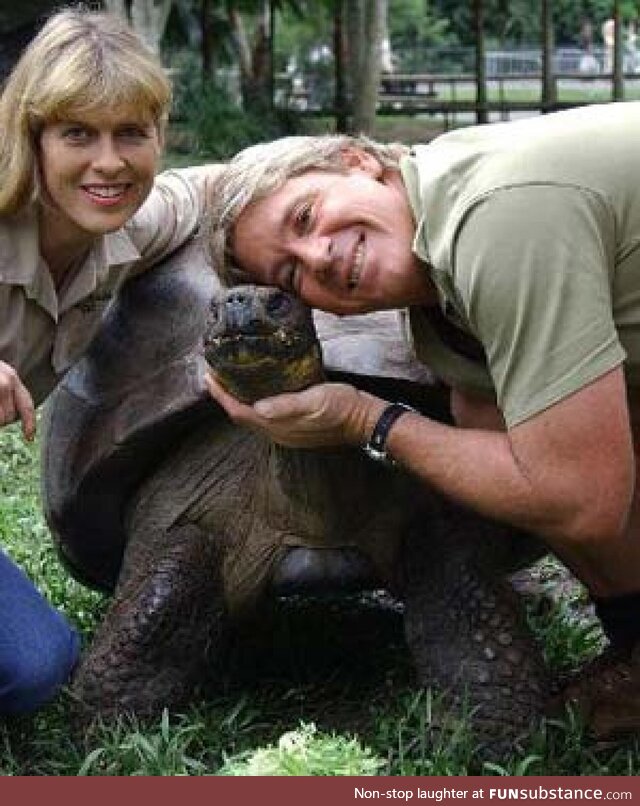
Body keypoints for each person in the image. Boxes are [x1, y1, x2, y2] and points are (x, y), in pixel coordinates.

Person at [207, 102, 640, 738]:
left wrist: (368, 418)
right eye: (291, 277)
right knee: (481, 407)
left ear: (358, 162)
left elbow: (585, 499)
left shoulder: (497, 218)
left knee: (550, 466)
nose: (318, 256)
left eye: (305, 216)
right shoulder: (441, 233)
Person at [0, 7, 219, 715]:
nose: (109, 162)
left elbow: (214, 189)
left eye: (131, 133)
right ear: (32, 137)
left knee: (36, 667)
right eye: (77, 134)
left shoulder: (127, 229)